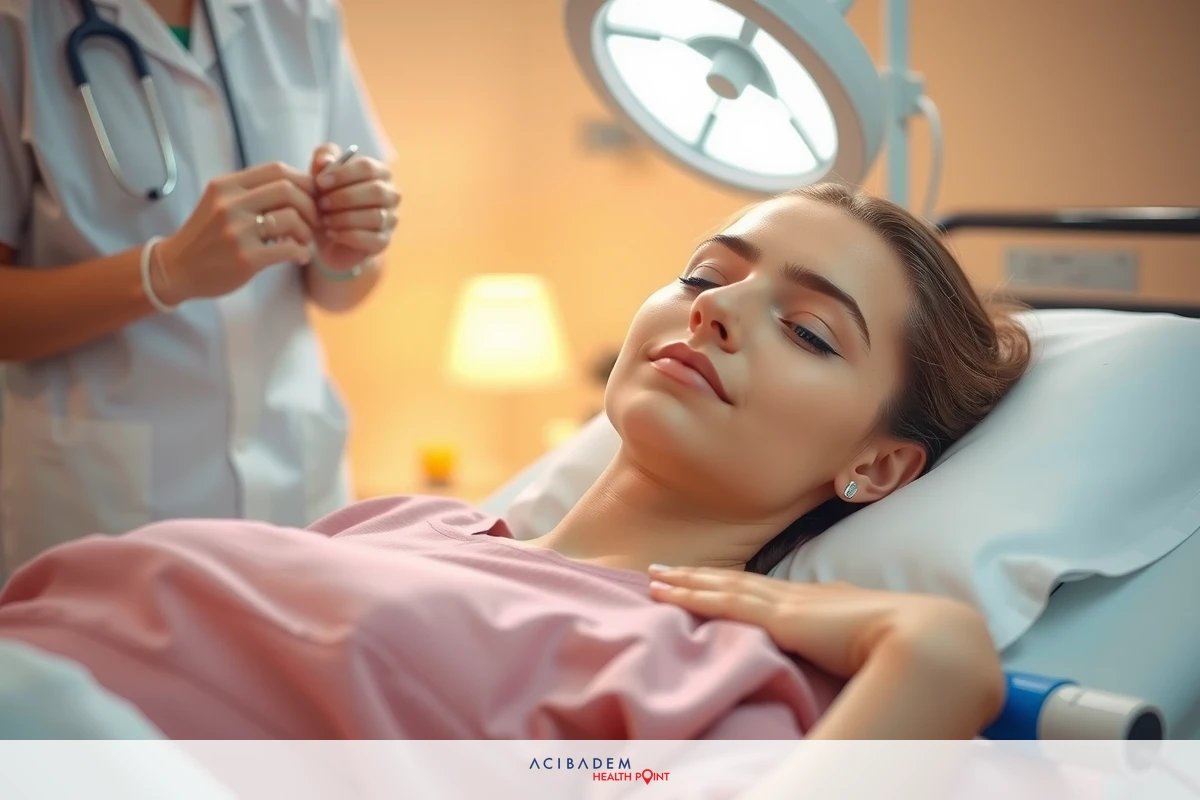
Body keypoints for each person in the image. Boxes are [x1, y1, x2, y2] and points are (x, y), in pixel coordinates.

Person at [0, 185, 1032, 740]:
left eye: (808, 330)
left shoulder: (713, 682)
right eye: (703, 274)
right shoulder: (398, 519)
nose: (714, 307)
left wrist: (930, 649)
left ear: (878, 469)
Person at [0, 0, 400, 573]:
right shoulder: (19, 22)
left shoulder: (301, 13)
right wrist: (164, 272)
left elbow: (341, 290)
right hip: (108, 517)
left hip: (299, 496)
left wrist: (344, 258)